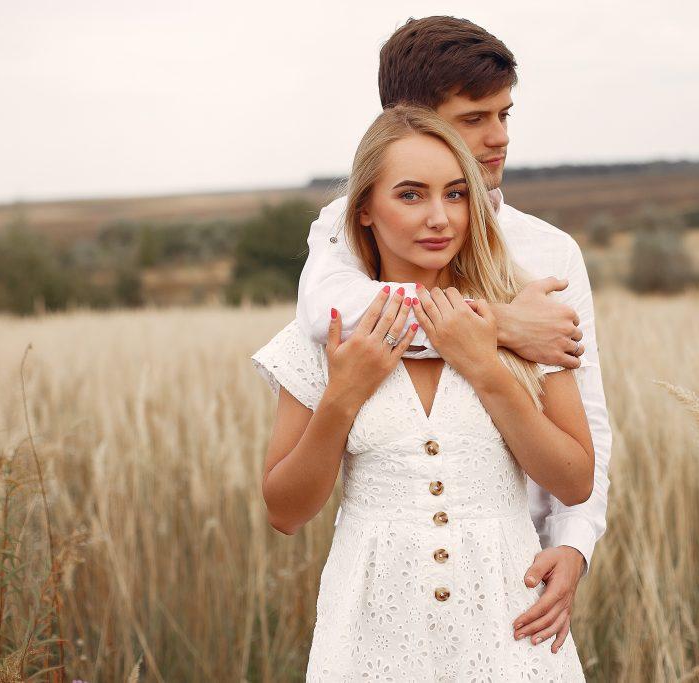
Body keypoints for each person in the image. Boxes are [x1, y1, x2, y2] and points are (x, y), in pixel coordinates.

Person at [295, 16, 613, 656]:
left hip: (512, 572)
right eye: (473, 119)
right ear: (412, 122)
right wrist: (502, 325)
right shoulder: (349, 232)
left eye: (505, 114)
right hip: (386, 588)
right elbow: (332, 310)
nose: (497, 138)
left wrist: (574, 544)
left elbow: (590, 423)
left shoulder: (549, 251)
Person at [252, 104, 590, 679]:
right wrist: (342, 397)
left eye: (456, 194)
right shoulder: (323, 338)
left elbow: (574, 480)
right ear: (361, 210)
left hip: (509, 627)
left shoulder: (525, 322)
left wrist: (487, 370)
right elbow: (285, 511)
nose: (440, 218)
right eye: (411, 195)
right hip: (369, 635)